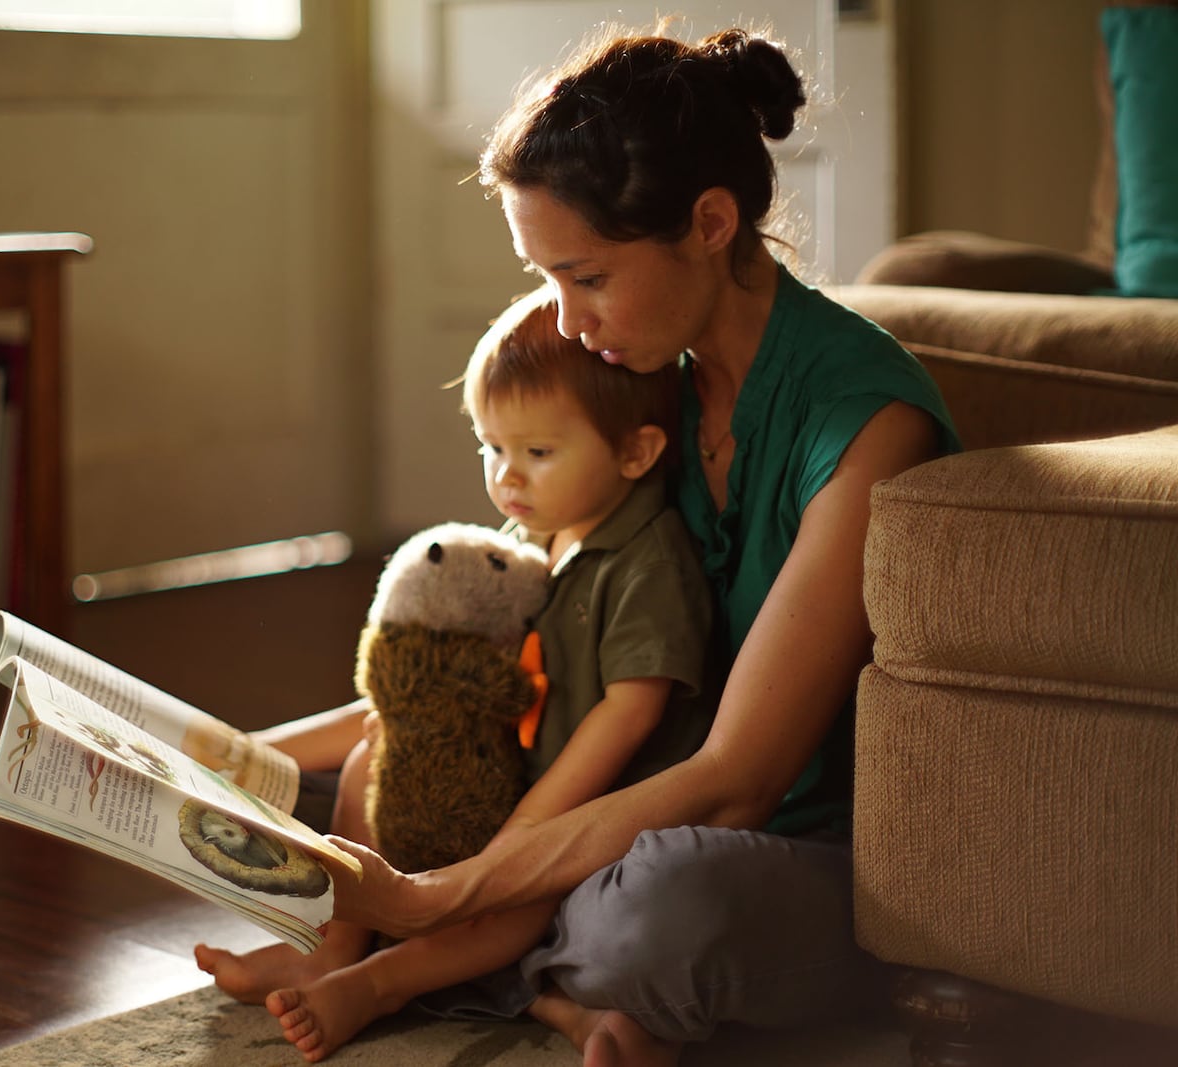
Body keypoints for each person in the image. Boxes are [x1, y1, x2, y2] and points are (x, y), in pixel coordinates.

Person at [229, 21, 961, 1067]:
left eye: (585, 276)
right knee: (343, 786)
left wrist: (439, 886)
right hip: (606, 794)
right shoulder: (636, 366)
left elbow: (735, 781)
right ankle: (521, 966)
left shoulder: (867, 426)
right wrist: (230, 755)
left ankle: (449, 946)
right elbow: (535, 643)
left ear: (709, 222)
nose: (563, 320)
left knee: (655, 910)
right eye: (546, 278)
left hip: (785, 852)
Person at [197, 285, 716, 1062]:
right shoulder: (531, 543)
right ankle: (337, 945)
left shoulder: (648, 561)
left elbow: (631, 712)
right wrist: (247, 750)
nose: (507, 476)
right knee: (379, 758)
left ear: (637, 452)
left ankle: (380, 982)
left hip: (588, 818)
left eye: (537, 453)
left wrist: (523, 837)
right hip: (507, 789)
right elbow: (412, 699)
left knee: (508, 909)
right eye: (491, 447)